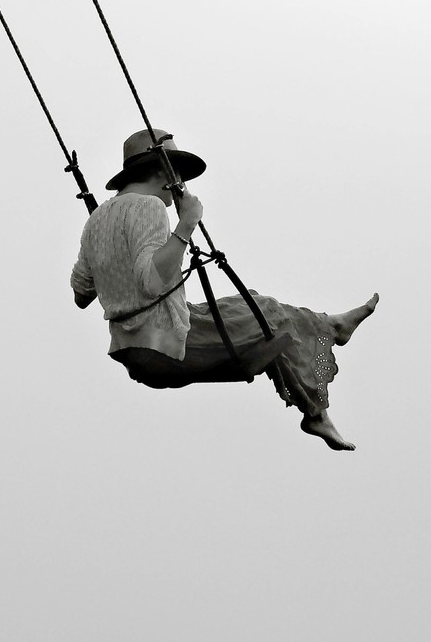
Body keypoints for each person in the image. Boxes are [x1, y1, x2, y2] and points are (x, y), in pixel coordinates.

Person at [70, 128, 377, 451]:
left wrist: (113, 263)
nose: (179, 184)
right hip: (167, 345)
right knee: (268, 316)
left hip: (133, 353)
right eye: (177, 173)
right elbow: (152, 283)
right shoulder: (150, 207)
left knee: (251, 308)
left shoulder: (96, 221)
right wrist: (186, 224)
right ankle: (326, 355)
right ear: (162, 170)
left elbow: (81, 294)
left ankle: (325, 355)